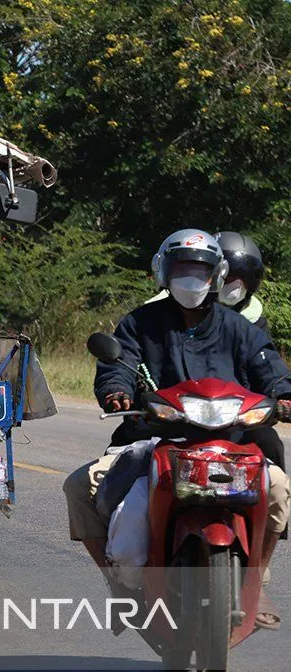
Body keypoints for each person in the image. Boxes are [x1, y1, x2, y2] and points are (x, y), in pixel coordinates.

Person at [62, 229, 291, 628]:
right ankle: (119, 587)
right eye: (182, 268)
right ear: (164, 273)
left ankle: (257, 578)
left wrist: (284, 396)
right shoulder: (139, 323)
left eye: (200, 269)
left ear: (216, 275)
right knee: (80, 487)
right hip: (153, 437)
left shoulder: (238, 328)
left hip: (229, 441)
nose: (191, 278)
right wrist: (116, 391)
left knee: (277, 488)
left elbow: (269, 368)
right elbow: (117, 363)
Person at [216, 231, 267, 333]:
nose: (237, 285)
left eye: (246, 280)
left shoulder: (257, 324)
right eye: (230, 277)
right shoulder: (188, 314)